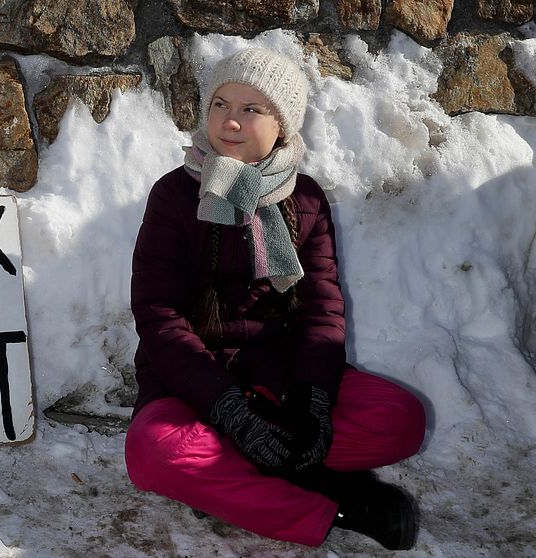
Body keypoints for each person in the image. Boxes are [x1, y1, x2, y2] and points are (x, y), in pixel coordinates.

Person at [124, 48, 427, 550]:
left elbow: (320, 309)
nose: (231, 121)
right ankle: (338, 503)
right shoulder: (174, 195)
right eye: (221, 103)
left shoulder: (304, 199)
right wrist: (231, 412)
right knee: (153, 454)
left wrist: (313, 403)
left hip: (281, 378)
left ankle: (246, 473)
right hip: (194, 389)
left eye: (252, 109)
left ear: (282, 126)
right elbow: (159, 317)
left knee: (400, 419)